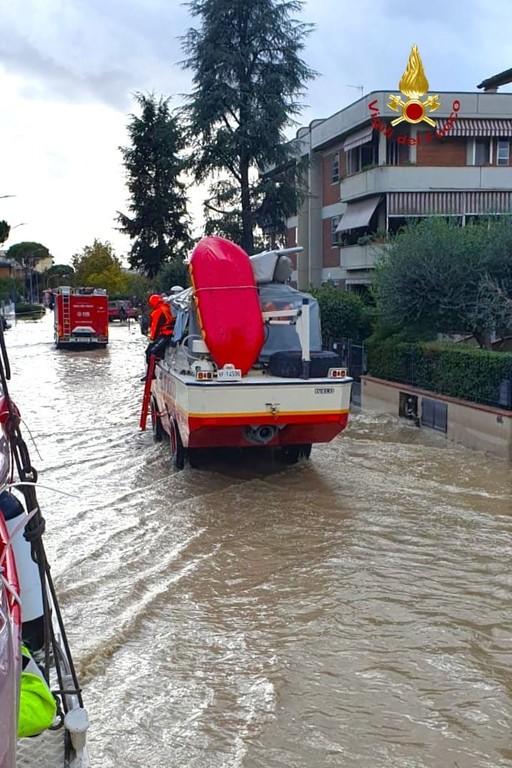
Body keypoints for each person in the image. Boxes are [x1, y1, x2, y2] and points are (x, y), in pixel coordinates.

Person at [140, 294, 175, 380]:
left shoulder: (157, 312)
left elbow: (154, 327)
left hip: (165, 335)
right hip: (169, 334)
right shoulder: (167, 308)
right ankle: (155, 367)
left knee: (150, 352)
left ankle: (151, 375)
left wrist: (152, 339)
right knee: (155, 352)